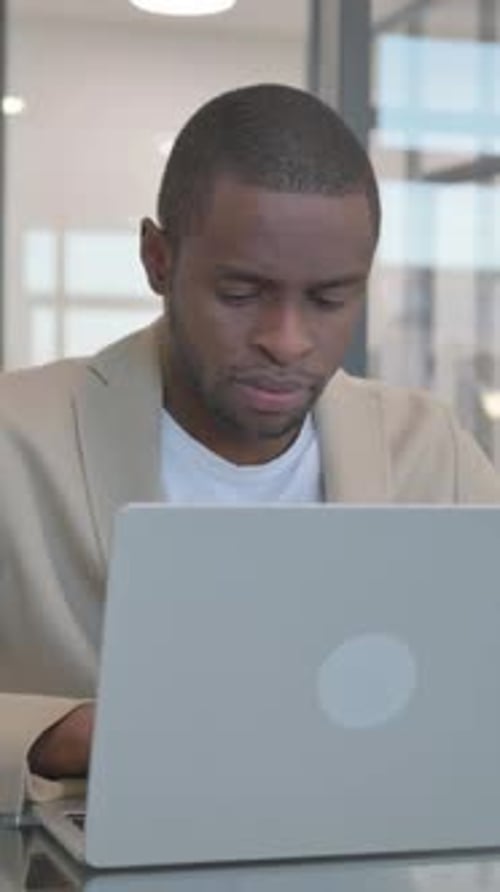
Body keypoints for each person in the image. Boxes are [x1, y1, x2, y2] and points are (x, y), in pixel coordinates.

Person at [1, 83, 499, 815]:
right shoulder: (17, 439)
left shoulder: (431, 451)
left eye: (331, 300)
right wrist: (66, 733)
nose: (288, 340)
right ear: (157, 260)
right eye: (240, 293)